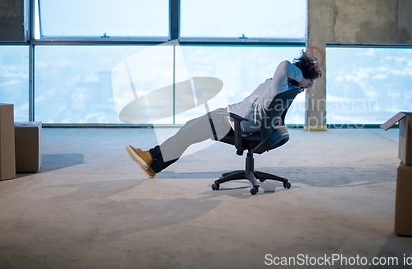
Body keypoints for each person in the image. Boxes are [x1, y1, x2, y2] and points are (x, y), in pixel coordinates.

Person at [126, 50, 322, 178]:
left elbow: (285, 66)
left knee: (187, 134)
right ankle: (153, 164)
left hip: (232, 122)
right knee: (188, 129)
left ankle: (150, 157)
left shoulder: (282, 87)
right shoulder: (284, 88)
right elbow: (284, 68)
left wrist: (302, 77)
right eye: (310, 80)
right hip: (230, 116)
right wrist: (302, 78)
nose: (311, 84)